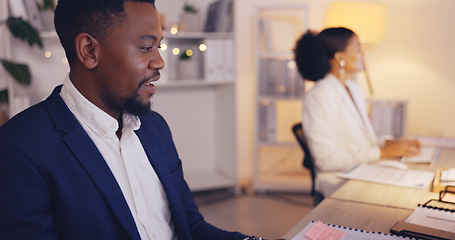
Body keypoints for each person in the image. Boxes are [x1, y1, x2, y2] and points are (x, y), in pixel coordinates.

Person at [0, 1, 267, 239]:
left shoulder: (155, 127)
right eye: (146, 47)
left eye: (159, 47)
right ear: (89, 50)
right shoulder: (20, 149)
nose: (160, 61)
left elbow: (190, 226)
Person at [294, 27, 420, 200]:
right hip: (338, 185)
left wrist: (392, 143)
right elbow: (325, 160)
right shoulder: (318, 96)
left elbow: (362, 139)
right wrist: (382, 152)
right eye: (358, 48)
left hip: (364, 171)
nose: (363, 55)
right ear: (340, 58)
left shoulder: (353, 89)